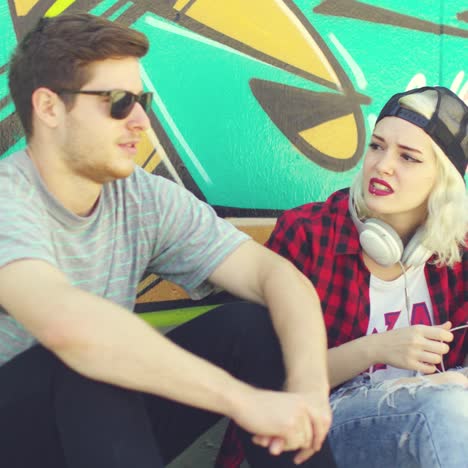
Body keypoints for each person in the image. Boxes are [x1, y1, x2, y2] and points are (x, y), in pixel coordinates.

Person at [0, 12, 337, 468]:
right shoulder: (8, 196)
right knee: (91, 361)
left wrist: (310, 392)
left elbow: (274, 275)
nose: (140, 120)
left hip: (97, 430)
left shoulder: (140, 196)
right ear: (49, 107)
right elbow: (68, 326)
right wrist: (241, 400)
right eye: (118, 101)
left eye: (143, 101)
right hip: (17, 435)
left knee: (252, 326)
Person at [218, 86, 468, 468]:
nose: (383, 165)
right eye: (377, 146)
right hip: (314, 437)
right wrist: (376, 349)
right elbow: (267, 383)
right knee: (444, 408)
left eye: (408, 157)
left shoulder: (458, 254)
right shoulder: (308, 233)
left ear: (443, 181)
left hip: (428, 445)